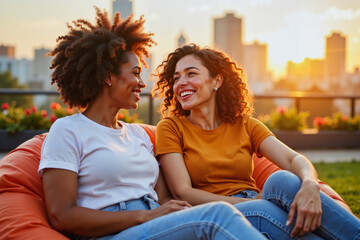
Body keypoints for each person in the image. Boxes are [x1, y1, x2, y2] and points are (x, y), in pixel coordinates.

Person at [38, 8, 268, 240]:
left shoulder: (138, 135)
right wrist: (146, 217)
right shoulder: (68, 130)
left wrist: (182, 215)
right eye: (135, 73)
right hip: (112, 233)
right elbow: (62, 215)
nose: (141, 83)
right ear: (108, 76)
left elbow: (165, 199)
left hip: (154, 225)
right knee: (218, 215)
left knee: (276, 188)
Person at [154, 44, 360, 240]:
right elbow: (183, 192)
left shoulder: (244, 124)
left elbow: (292, 158)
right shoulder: (171, 127)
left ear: (216, 81)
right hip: (219, 211)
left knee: (281, 180)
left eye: (191, 74)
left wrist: (310, 184)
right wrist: (251, 202)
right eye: (176, 78)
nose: (180, 83)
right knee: (265, 209)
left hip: (257, 200)